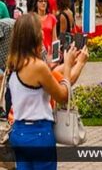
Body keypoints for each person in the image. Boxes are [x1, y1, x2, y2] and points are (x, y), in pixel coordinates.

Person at [7, 13, 78, 170]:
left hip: (19, 131)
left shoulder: (13, 63)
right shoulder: (37, 66)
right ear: (34, 35)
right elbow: (62, 96)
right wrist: (68, 65)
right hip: (38, 132)